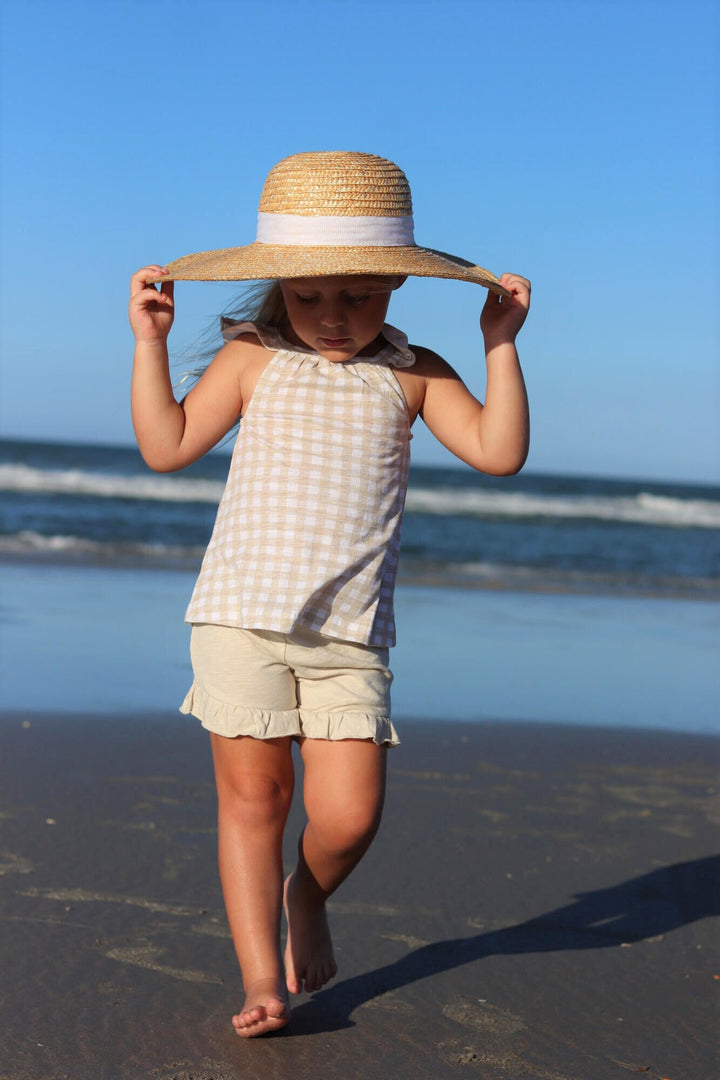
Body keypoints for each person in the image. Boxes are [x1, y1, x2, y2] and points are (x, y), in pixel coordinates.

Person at [129, 151, 530, 1037]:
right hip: (239, 617)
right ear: (280, 287)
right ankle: (261, 981)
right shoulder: (251, 357)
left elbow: (499, 452)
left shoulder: (414, 369)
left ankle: (304, 895)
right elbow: (167, 445)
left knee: (348, 818)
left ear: (394, 282)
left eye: (359, 296)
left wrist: (498, 345)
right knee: (255, 802)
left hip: (349, 637)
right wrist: (151, 343)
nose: (334, 318)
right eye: (310, 299)